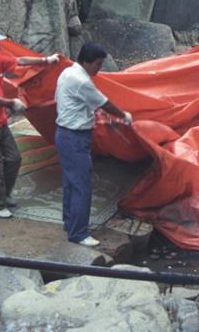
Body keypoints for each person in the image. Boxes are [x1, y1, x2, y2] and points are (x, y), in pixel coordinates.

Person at [0, 24, 61, 219]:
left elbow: (20, 61)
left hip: (0, 124)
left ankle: (5, 194)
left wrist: (45, 60)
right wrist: (12, 103)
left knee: (14, 159)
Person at [55, 42, 133, 247]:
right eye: (98, 64)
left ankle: (70, 222)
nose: (99, 68)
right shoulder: (82, 81)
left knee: (71, 183)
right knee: (82, 186)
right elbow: (105, 103)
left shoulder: (67, 73)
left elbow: (77, 103)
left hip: (65, 134)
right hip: (74, 137)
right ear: (86, 62)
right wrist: (123, 115)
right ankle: (78, 233)